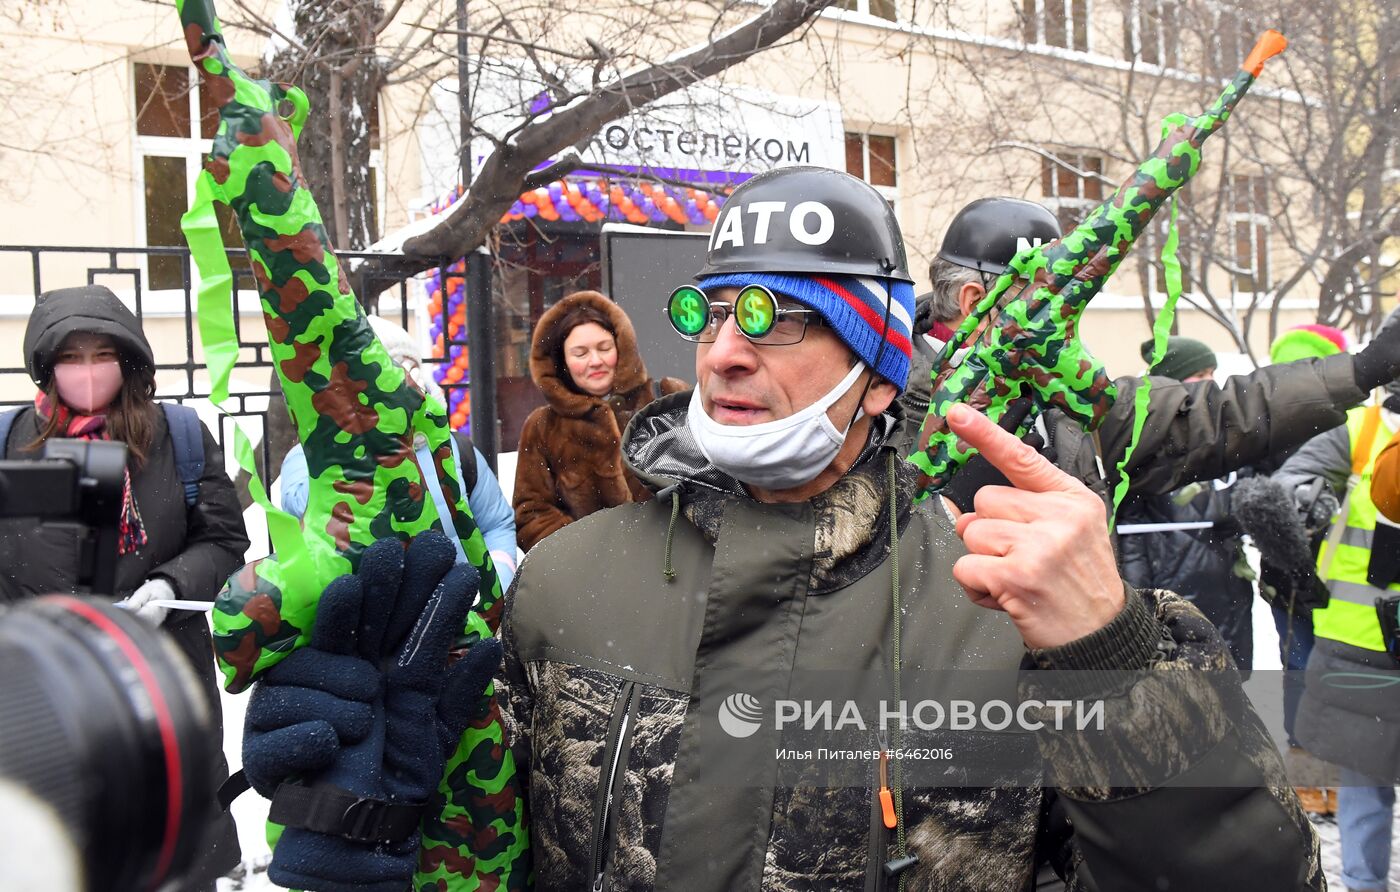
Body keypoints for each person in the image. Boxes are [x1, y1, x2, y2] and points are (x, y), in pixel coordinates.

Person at [498, 167, 1321, 889]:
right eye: (711, 315)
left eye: (779, 318)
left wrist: (1113, 664)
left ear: (880, 378)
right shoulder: (565, 582)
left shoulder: (1002, 610)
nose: (724, 355)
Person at [898, 197, 1400, 514]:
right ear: (972, 302)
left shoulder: (1075, 409)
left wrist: (1361, 370)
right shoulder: (880, 406)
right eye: (1047, 298)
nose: (1068, 317)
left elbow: (1217, 415)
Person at [0, 284, 250, 888]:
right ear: (46, 364)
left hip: (162, 684)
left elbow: (223, 542)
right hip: (43, 691)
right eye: (71, 357)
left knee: (174, 845)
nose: (88, 372)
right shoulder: (10, 441)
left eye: (101, 355)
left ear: (129, 359)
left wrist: (168, 586)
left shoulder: (179, 437)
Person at [1276, 312, 1400, 892]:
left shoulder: (1365, 430)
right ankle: (1365, 884)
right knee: (1364, 781)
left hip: (1357, 642)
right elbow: (1286, 486)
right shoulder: (1362, 431)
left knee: (1363, 783)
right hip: (1361, 645)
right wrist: (1309, 508)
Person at [278, 315, 519, 586]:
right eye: (388, 373)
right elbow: (305, 510)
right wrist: (358, 440)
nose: (403, 386)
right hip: (369, 620)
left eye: (410, 369)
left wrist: (496, 582)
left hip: (463, 614)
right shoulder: (311, 457)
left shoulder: (453, 448)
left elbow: (495, 524)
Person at [1118, 337, 1263, 668]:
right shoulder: (1144, 438)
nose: (1209, 381)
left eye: (1212, 371)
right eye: (1199, 373)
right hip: (1173, 592)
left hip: (1227, 588)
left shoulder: (1226, 434)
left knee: (1229, 688)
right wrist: (1140, 601)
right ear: (1173, 379)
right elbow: (1131, 535)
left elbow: (1243, 487)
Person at [512, 290, 686, 552]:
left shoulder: (668, 397)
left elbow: (712, 484)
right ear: (563, 362)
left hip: (674, 570)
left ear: (622, 347)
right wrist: (593, 556)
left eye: (604, 348)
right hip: (593, 583)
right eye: (580, 353)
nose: (596, 361)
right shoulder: (542, 427)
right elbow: (532, 516)